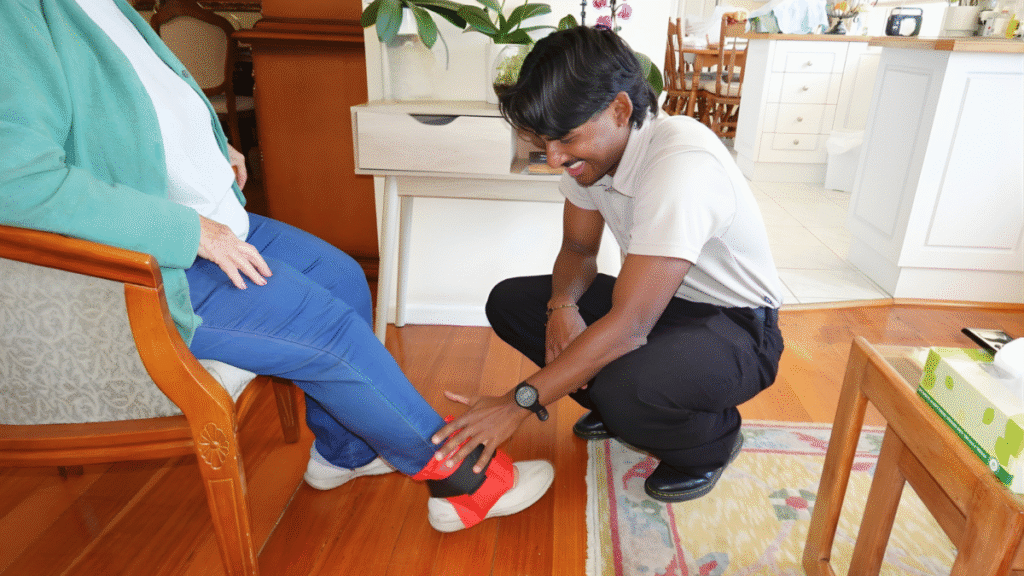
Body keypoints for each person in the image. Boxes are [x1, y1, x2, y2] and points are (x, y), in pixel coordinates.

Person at [0, 0, 553, 532]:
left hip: (210, 219)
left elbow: (133, 109)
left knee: (340, 279)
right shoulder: (18, 14)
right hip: (153, 261)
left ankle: (345, 454)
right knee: (329, 334)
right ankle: (465, 486)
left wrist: (211, 146)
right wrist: (189, 232)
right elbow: (19, 182)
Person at [431, 26, 785, 503]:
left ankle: (710, 441)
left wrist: (518, 403)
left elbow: (631, 325)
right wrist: (562, 306)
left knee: (627, 387)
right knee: (513, 302)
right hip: (664, 307)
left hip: (737, 326)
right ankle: (613, 399)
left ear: (620, 109)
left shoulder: (680, 162)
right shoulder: (592, 159)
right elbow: (578, 251)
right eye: (544, 140)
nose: (554, 158)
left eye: (567, 139)